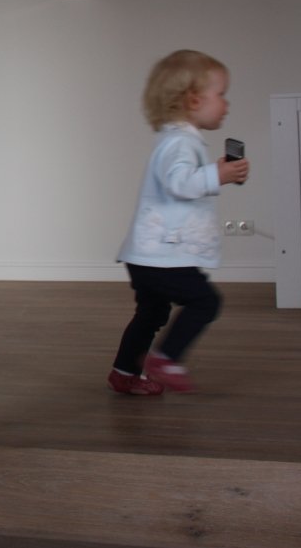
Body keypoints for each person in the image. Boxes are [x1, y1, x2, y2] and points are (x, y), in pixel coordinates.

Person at [107, 50, 250, 396]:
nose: (227, 104)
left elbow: (183, 179)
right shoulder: (180, 142)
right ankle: (166, 358)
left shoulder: (176, 140)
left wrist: (217, 173)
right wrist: (216, 175)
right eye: (221, 95)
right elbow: (179, 183)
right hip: (163, 255)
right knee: (206, 302)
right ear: (193, 99)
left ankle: (124, 372)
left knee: (151, 313)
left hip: (147, 255)